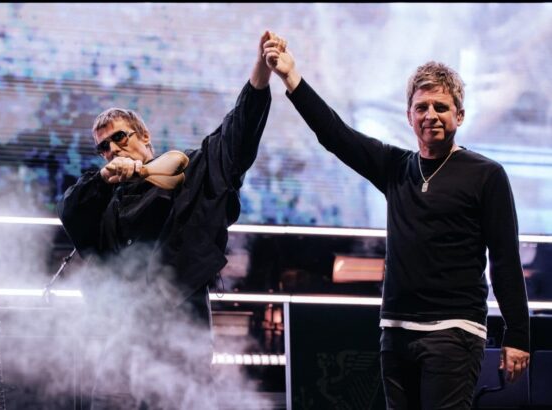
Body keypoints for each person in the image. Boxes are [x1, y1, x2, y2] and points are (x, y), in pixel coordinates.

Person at [262, 35, 530, 409]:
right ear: (409, 116)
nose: (430, 115)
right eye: (422, 107)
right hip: (396, 331)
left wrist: (517, 335)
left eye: (441, 107)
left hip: (454, 332)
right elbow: (336, 134)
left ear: (459, 115)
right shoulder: (396, 167)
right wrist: (291, 77)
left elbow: (505, 259)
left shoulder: (486, 175)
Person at [57, 31, 274, 410]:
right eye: (103, 147)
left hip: (178, 340)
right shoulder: (101, 196)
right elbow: (69, 212)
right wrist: (105, 178)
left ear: (143, 135)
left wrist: (260, 73)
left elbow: (234, 139)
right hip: (117, 346)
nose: (112, 149)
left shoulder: (189, 173)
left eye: (119, 138)